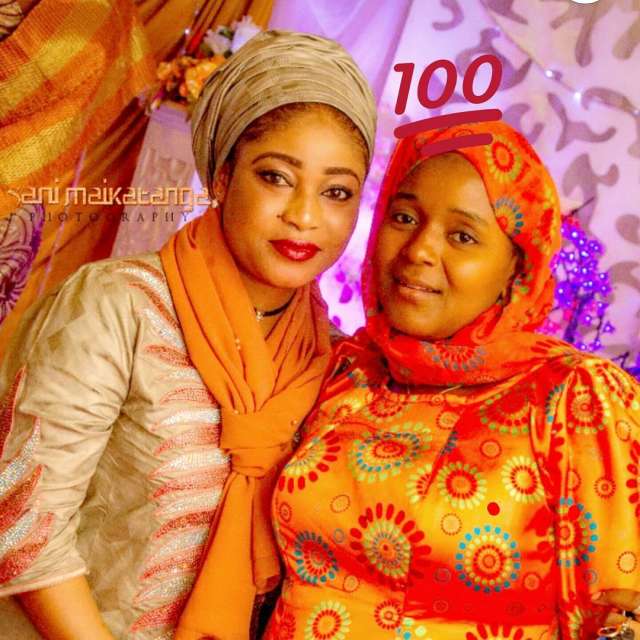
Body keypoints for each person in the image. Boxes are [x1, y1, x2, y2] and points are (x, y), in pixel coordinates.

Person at [0, 30, 376, 640]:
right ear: (222, 178)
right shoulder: (120, 305)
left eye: (336, 192)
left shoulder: (330, 362)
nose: (304, 215)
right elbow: (23, 519)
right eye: (276, 177)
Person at [264, 121, 640, 639]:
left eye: (462, 236)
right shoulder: (347, 370)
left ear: (517, 268)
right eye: (403, 217)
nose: (418, 249)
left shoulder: (574, 395)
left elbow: (621, 615)